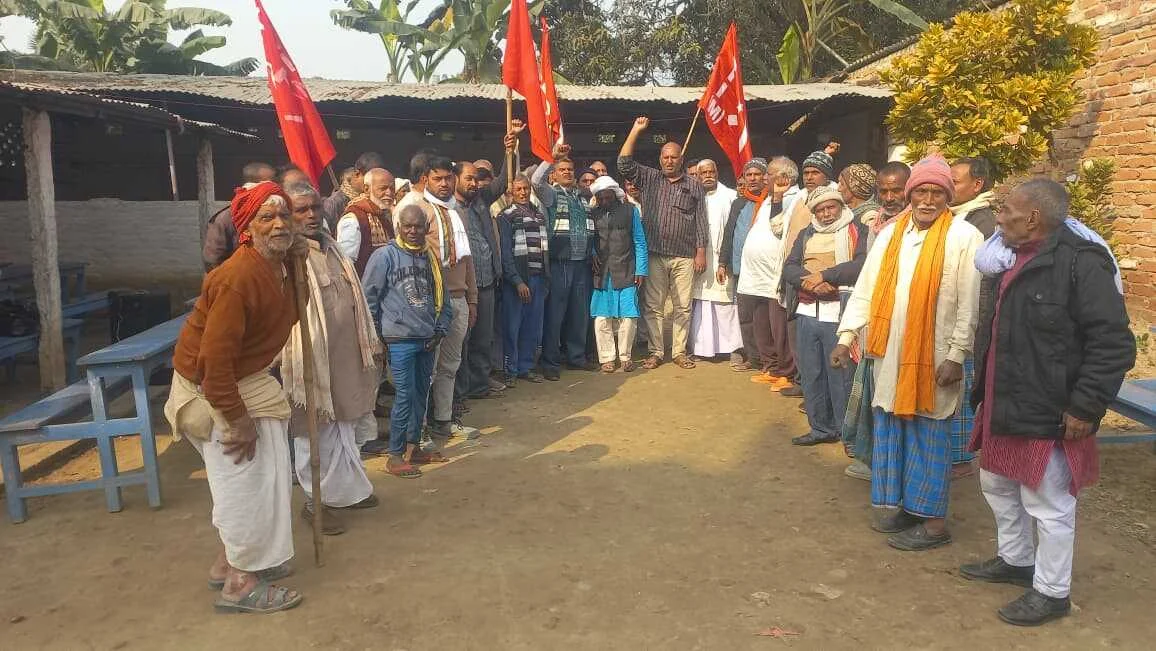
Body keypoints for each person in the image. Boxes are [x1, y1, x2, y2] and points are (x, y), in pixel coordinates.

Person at [962, 179, 1134, 627]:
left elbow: (1113, 343)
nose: (998, 219)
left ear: (1033, 218)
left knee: (1049, 501)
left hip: (1050, 406)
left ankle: (1051, 591)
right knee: (997, 483)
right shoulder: (1012, 258)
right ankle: (1015, 560)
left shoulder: (1081, 262)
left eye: (1007, 212)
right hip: (1005, 398)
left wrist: (1085, 407)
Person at [165, 180, 304, 614]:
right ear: (247, 228)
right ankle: (241, 584)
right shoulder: (237, 277)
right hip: (219, 390)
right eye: (268, 217)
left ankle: (230, 563)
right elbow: (213, 363)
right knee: (246, 485)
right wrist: (237, 418)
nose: (279, 223)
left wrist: (294, 262)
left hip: (244, 380)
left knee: (260, 481)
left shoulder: (280, 264)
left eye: (285, 215)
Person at [831, 155, 982, 551]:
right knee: (893, 431)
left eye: (936, 193)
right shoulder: (890, 235)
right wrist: (846, 337)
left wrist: (956, 355)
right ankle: (903, 508)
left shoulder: (964, 238)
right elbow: (866, 288)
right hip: (888, 356)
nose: (928, 200)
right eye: (921, 192)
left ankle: (933, 524)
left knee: (929, 435)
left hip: (935, 360)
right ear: (911, 194)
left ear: (947, 197)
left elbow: (969, 305)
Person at [280, 183, 380, 536]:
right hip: (310, 360)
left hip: (345, 355)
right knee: (313, 432)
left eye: (315, 209)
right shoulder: (286, 255)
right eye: (301, 210)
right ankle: (314, 502)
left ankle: (348, 492)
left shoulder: (333, 247)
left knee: (345, 426)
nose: (310, 216)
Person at [361, 205, 451, 477]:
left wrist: (441, 329)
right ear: (399, 226)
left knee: (421, 396)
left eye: (418, 226)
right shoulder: (384, 256)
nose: (413, 231)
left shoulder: (430, 258)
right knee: (404, 396)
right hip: (399, 340)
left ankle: (414, 448)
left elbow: (443, 298)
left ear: (426, 228)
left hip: (427, 338)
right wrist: (377, 339)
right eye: (408, 226)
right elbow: (369, 299)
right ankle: (396, 454)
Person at [617, 116, 709, 370]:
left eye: (674, 157)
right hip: (655, 253)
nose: (670, 161)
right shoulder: (649, 178)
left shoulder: (694, 185)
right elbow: (623, 164)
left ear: (682, 159)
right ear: (660, 159)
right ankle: (656, 351)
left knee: (682, 306)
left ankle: (679, 351)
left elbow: (700, 219)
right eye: (666, 157)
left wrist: (701, 252)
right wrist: (636, 129)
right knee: (654, 306)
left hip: (684, 256)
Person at [841, 161, 913, 482]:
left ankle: (894, 466)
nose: (888, 196)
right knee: (874, 396)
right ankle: (873, 459)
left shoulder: (914, 226)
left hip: (904, 326)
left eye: (896, 190)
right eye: (883, 190)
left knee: (897, 401)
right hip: (875, 325)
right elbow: (869, 278)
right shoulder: (878, 223)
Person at [783, 187, 867, 446]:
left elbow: (861, 264)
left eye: (831, 207)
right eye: (820, 209)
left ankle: (846, 432)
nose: (826, 213)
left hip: (839, 313)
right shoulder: (807, 233)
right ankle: (820, 428)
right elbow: (790, 266)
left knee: (840, 376)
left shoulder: (857, 231)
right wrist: (809, 283)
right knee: (811, 373)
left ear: (841, 206)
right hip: (807, 311)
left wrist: (827, 276)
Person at [411, 156, 477, 441]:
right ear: (426, 179)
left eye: (448, 178)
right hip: (432, 302)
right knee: (426, 369)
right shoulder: (417, 211)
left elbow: (467, 259)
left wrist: (472, 298)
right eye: (437, 178)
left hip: (459, 299)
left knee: (449, 366)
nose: (444, 183)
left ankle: (443, 420)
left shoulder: (455, 212)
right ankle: (420, 429)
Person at [719, 158, 798, 387]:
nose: (763, 178)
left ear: (784, 178)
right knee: (757, 321)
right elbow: (731, 233)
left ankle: (785, 371)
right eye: (754, 175)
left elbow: (779, 227)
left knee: (778, 325)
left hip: (773, 274)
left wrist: (778, 199)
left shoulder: (795, 199)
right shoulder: (762, 200)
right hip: (751, 274)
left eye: (768, 174)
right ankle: (769, 365)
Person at [533, 142, 597, 380]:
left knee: (579, 314)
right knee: (556, 314)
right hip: (560, 263)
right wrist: (552, 156)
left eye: (570, 170)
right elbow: (536, 181)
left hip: (582, 263)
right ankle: (550, 362)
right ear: (554, 175)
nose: (568, 173)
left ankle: (576, 357)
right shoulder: (551, 194)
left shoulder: (582, 197)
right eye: (563, 170)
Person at [453, 159, 510, 412]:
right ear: (455, 179)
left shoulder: (481, 200)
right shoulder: (448, 209)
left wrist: (509, 151)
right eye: (468, 178)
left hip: (486, 281)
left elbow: (502, 182)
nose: (473, 183)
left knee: (483, 339)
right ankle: (459, 393)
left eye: (475, 179)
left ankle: (479, 384)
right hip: (463, 286)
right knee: (461, 342)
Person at [588, 176, 648, 372]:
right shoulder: (593, 213)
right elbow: (590, 238)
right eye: (601, 198)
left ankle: (625, 356)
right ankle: (606, 357)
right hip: (602, 272)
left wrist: (641, 269)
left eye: (607, 197)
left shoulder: (630, 211)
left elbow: (639, 241)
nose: (604, 202)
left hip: (626, 268)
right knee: (601, 317)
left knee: (628, 317)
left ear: (614, 195)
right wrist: (593, 253)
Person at [498, 175, 550, 385]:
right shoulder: (506, 216)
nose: (522, 192)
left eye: (525, 188)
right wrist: (517, 281)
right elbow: (506, 253)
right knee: (512, 327)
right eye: (518, 189)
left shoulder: (539, 215)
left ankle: (525, 367)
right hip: (517, 282)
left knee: (532, 326)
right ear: (511, 192)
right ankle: (510, 370)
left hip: (538, 278)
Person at [690, 159, 742, 363]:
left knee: (725, 303)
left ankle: (733, 348)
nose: (708, 175)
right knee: (701, 304)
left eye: (712, 171)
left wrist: (727, 260)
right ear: (698, 175)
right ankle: (703, 348)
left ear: (717, 173)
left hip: (722, 260)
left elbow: (734, 231)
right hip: (698, 260)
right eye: (704, 173)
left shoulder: (730, 196)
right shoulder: (692, 198)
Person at [202, 162, 275, 271]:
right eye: (269, 184)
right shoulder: (226, 218)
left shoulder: (277, 214)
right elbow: (213, 261)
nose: (275, 188)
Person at [336, 167, 395, 275]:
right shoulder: (354, 218)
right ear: (367, 189)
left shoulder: (383, 215)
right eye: (383, 188)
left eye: (392, 188)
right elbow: (346, 265)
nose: (389, 193)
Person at [323, 152, 385, 231]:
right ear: (357, 174)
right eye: (371, 179)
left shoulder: (378, 202)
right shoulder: (333, 203)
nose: (374, 184)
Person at [868, 162, 912, 248]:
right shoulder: (875, 223)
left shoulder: (916, 224)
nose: (889, 198)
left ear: (909, 189)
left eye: (896, 191)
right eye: (883, 192)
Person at [950, 157, 997, 238]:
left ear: (977, 184)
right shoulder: (944, 213)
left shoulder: (982, 223)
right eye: (947, 181)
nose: (947, 186)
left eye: (954, 182)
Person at [838, 164, 880, 228]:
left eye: (842, 184)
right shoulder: (846, 213)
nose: (838, 189)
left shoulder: (869, 217)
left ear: (854, 189)